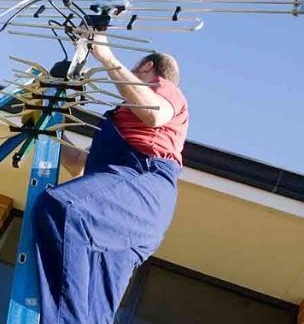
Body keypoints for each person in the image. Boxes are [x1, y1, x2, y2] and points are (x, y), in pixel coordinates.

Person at [33, 34, 189, 323]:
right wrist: (47, 126)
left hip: (144, 181)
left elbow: (155, 114)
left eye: (135, 67)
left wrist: (105, 55)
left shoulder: (163, 90)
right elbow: (78, 165)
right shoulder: (122, 122)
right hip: (121, 201)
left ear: (147, 66)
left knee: (63, 208)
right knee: (94, 306)